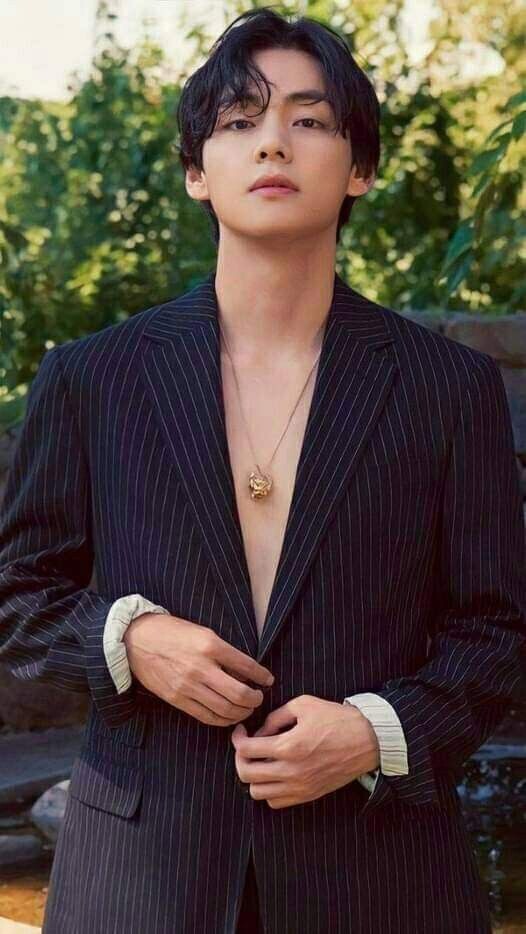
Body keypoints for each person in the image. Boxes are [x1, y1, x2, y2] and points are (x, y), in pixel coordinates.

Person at [0, 8, 524, 933]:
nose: (273, 141)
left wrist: (376, 731)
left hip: (380, 879)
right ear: (198, 172)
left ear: (360, 167)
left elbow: (499, 628)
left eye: (309, 119)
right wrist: (132, 639)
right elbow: (17, 595)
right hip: (140, 880)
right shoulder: (93, 376)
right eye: (240, 120)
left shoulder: (450, 387)